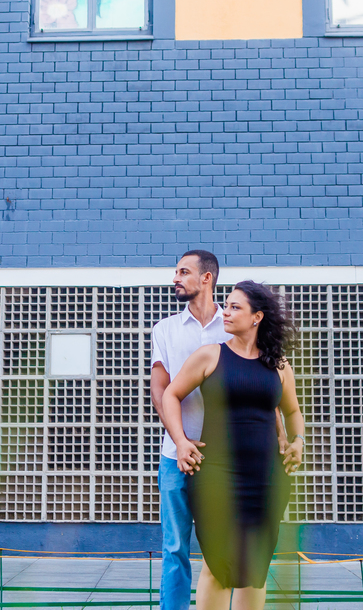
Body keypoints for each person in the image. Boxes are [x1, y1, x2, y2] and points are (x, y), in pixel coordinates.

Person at [161, 280, 304, 610]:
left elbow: (293, 412)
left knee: (255, 570)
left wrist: (299, 442)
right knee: (218, 567)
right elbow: (171, 394)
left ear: (257, 317)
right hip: (216, 477)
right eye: (226, 305)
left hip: (267, 478)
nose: (225, 311)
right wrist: (181, 442)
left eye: (235, 307)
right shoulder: (210, 355)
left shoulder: (278, 367)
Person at [150, 250, 232, 610]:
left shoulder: (234, 325)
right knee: (175, 548)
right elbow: (159, 390)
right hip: (175, 457)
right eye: (176, 272)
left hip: (225, 459)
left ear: (206, 278)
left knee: (229, 548)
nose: (175, 278)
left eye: (183, 272)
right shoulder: (165, 329)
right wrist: (180, 441)